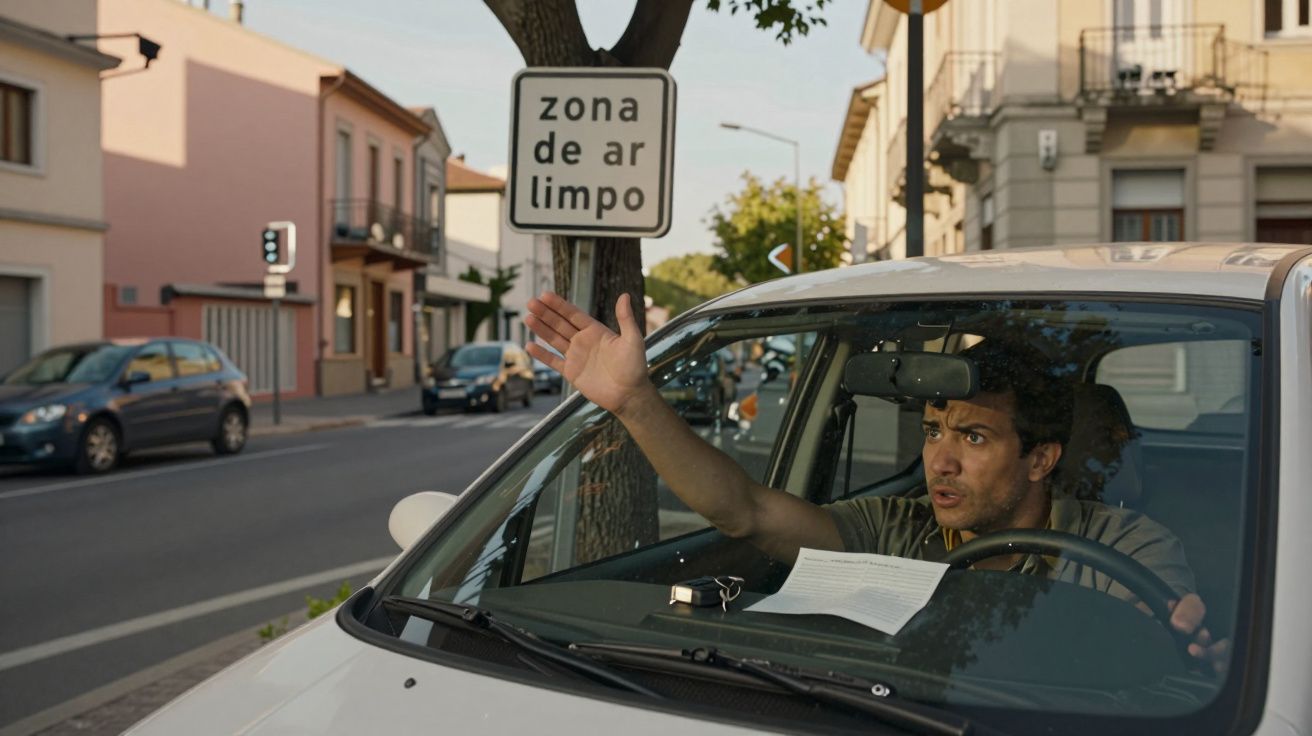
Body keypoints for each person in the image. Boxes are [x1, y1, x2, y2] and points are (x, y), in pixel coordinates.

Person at [525, 291, 1229, 673]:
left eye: (974, 437)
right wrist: (635, 405)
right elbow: (743, 513)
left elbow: (1154, 667)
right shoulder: (900, 527)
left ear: (1040, 459)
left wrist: (1186, 653)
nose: (940, 463)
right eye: (932, 432)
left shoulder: (1125, 548)